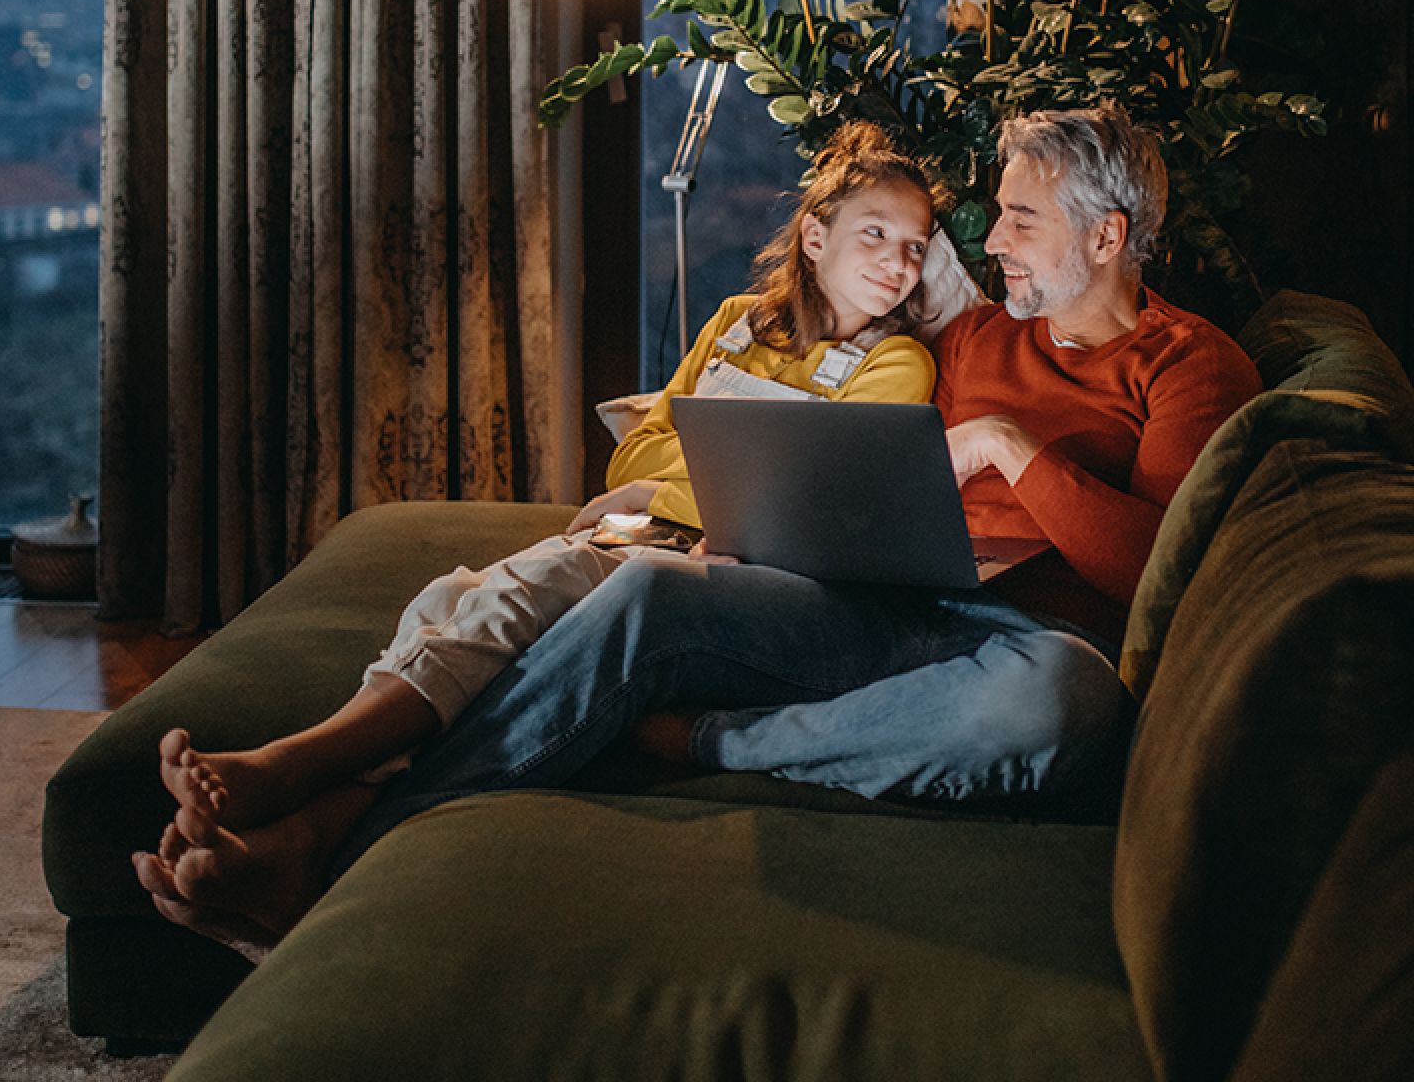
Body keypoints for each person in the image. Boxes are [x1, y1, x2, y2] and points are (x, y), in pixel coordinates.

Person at [134, 103, 1260, 956]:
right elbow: (849, 330)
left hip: (1019, 645)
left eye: (1020, 216)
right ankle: (336, 833)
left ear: (1107, 237)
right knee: (644, 594)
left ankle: (659, 748)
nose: (992, 235)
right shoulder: (970, 337)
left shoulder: (1192, 365)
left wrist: (1014, 450)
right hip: (882, 605)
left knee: (1061, 708)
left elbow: (1158, 567)